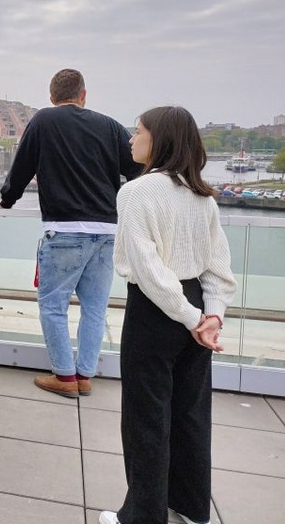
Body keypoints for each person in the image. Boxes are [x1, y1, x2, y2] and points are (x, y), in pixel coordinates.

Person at [99, 107, 236, 524]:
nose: (131, 139)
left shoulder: (136, 192)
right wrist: (211, 316)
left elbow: (148, 269)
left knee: (146, 416)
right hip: (196, 305)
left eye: (138, 131)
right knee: (191, 413)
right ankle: (192, 508)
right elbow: (218, 265)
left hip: (156, 311)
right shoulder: (202, 195)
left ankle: (143, 516)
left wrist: (190, 317)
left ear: (158, 139)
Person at [0, 68, 140, 397]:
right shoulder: (110, 126)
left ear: (51, 97)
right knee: (95, 308)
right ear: (83, 95)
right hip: (106, 231)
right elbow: (137, 169)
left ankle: (64, 377)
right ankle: (85, 376)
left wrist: (7, 200)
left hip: (64, 229)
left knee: (53, 306)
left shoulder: (43, 121)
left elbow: (22, 168)